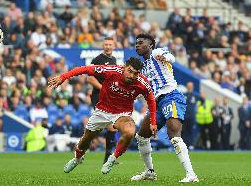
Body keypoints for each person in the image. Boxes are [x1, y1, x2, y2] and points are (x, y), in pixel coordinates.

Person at [48, 57, 157, 174]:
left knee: (130, 132)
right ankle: (77, 158)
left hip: (122, 114)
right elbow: (86, 69)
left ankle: (112, 159)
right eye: (129, 71)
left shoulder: (142, 83)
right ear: (124, 68)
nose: (131, 76)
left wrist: (153, 122)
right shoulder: (111, 71)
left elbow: (151, 101)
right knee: (86, 140)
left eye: (135, 73)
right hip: (102, 111)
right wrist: (63, 77)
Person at [131, 33, 198, 183]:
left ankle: (191, 174)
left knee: (174, 133)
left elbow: (171, 57)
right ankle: (149, 172)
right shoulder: (142, 67)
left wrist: (167, 58)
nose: (137, 45)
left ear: (150, 45)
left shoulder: (157, 53)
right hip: (156, 103)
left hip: (170, 96)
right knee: (141, 136)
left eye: (141, 42)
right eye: (136, 43)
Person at [87, 37, 118, 164]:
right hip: (99, 97)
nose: (108, 46)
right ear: (103, 46)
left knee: (112, 127)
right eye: (106, 44)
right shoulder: (97, 60)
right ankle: (81, 149)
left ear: (113, 46)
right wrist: (103, 88)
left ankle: (108, 158)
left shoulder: (114, 60)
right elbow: (90, 79)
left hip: (110, 98)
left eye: (110, 44)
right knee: (105, 126)